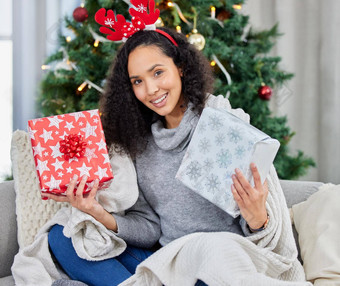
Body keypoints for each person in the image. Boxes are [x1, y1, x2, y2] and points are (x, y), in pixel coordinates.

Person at [45, 27, 293, 286]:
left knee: (213, 269)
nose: (151, 89)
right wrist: (97, 212)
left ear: (181, 67)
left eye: (158, 72)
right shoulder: (138, 142)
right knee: (62, 238)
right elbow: (149, 227)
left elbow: (264, 234)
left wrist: (257, 219)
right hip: (167, 260)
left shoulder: (225, 126)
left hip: (217, 261)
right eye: (137, 81)